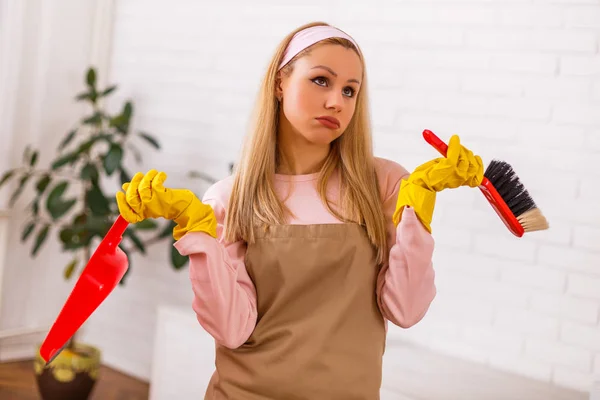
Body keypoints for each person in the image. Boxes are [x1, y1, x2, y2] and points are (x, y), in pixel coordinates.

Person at [116, 21, 484, 400]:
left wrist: (418, 206)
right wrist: (197, 230)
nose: (336, 102)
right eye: (321, 80)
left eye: (349, 90)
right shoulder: (231, 198)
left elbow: (405, 309)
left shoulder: (385, 184)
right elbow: (231, 329)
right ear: (280, 83)